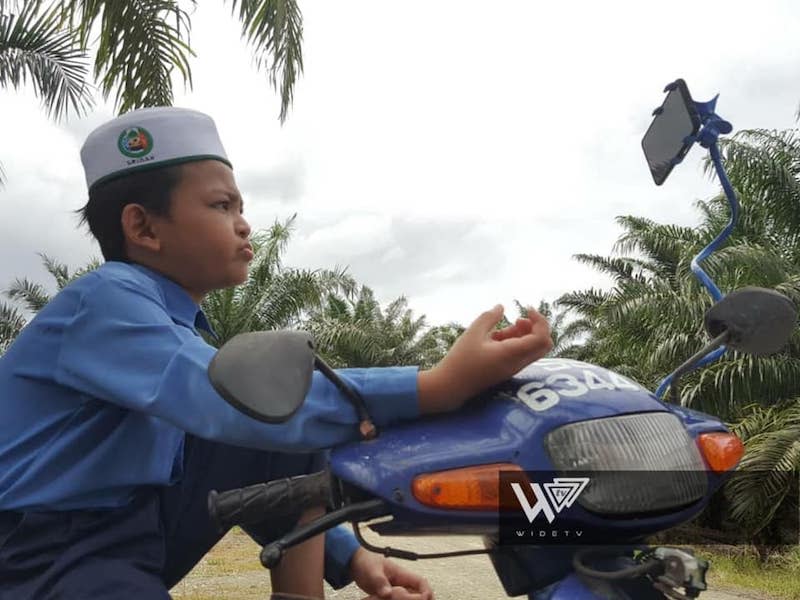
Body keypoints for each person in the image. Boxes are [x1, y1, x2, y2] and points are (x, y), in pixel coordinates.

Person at [0, 107, 553, 599]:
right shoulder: (106, 301)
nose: (244, 223)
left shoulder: (180, 332)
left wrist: (354, 555)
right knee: (269, 406)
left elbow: (248, 462)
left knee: (277, 425)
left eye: (241, 206)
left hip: (130, 530)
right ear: (143, 226)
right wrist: (436, 386)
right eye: (221, 205)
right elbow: (233, 405)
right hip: (41, 549)